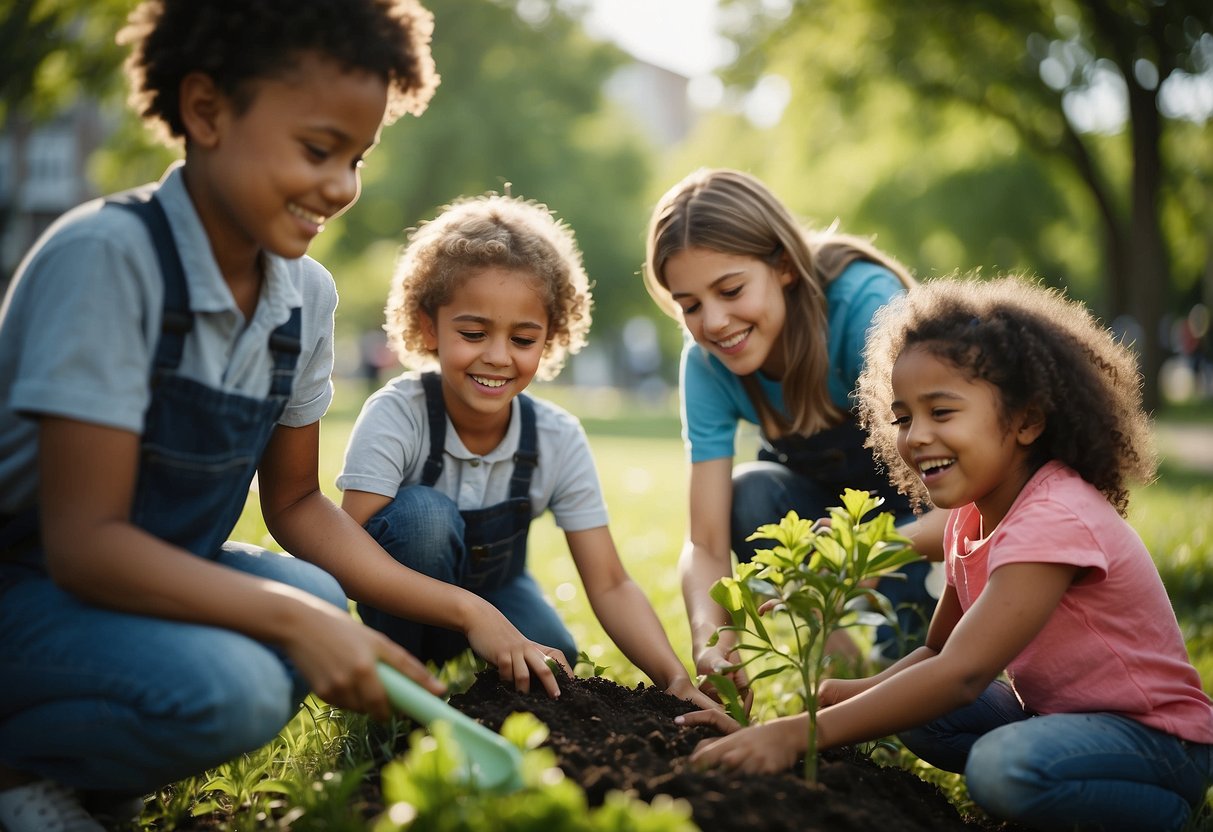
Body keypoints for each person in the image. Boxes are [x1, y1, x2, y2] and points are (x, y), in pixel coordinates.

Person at [0, 3, 456, 830]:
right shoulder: (107, 259)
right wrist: (293, 622)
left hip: (129, 585)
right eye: (317, 150)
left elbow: (293, 503)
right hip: (30, 583)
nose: (340, 187)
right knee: (240, 684)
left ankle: (96, 765)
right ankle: (13, 772)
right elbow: (83, 546)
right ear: (207, 110)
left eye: (356, 158)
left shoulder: (303, 296)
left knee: (315, 593)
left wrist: (459, 609)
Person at [680, 275, 1213, 831]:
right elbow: (938, 653)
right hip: (1060, 721)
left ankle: (1162, 813)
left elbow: (962, 674)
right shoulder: (968, 518)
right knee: (920, 715)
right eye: (904, 417)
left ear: (1027, 419)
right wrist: (835, 699)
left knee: (999, 770)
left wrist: (797, 735)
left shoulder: (1054, 515)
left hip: (1159, 742)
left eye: (942, 411)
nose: (916, 437)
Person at [338, 193, 717, 710]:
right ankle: (399, 686)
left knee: (556, 659)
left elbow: (608, 582)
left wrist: (673, 678)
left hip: (499, 594)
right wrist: (469, 612)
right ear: (430, 326)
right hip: (400, 612)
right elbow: (348, 552)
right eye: (473, 333)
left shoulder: (556, 438)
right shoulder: (397, 415)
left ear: (551, 337)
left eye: (523, 339)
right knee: (424, 518)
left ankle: (479, 686)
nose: (497, 357)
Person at [641, 168, 947, 699]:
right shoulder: (708, 366)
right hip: (827, 516)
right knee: (749, 493)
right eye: (689, 305)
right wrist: (711, 637)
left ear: (782, 265)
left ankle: (889, 636)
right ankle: (838, 647)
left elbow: (978, 501)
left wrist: (871, 553)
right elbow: (706, 540)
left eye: (730, 289)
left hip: (924, 514)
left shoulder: (865, 307)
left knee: (918, 674)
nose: (713, 322)